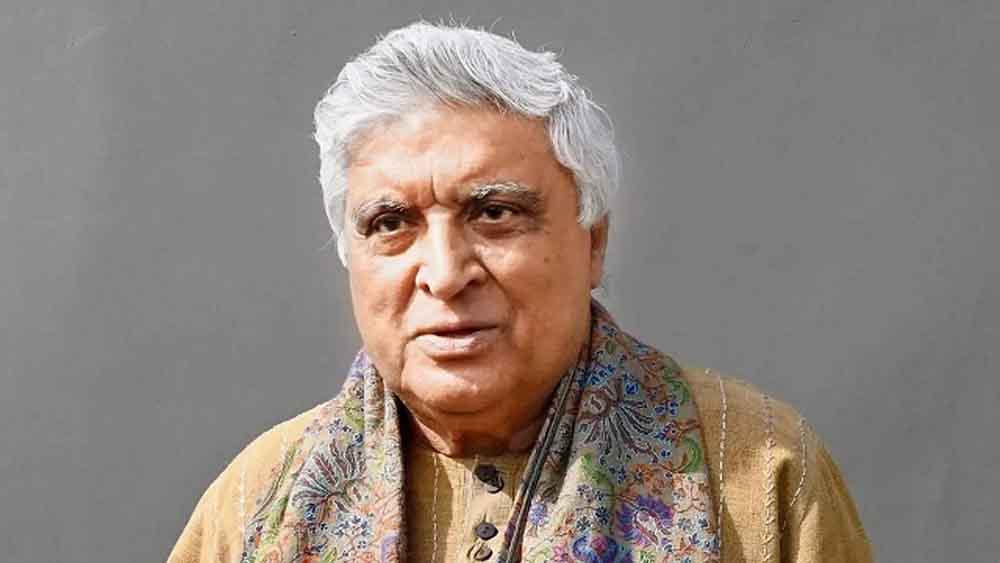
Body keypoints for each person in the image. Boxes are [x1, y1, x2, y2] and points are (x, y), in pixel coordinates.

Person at [168, 21, 873, 563]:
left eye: (494, 212)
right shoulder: (258, 502)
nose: (445, 273)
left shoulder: (759, 475)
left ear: (593, 241)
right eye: (391, 223)